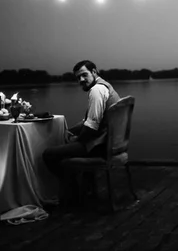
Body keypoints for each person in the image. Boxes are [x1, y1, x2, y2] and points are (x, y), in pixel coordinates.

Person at [42, 60, 121, 200]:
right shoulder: (105, 86)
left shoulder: (96, 90)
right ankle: (83, 190)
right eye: (78, 77)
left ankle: (73, 194)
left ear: (94, 72)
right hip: (111, 143)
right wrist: (71, 131)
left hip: (100, 146)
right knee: (67, 145)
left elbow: (91, 128)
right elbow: (89, 121)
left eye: (84, 75)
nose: (81, 80)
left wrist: (76, 139)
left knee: (49, 154)